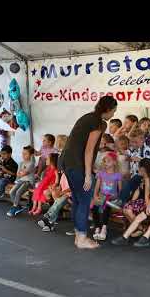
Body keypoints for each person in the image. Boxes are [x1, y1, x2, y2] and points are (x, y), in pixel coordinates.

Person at [61, 95, 118, 249]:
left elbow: (81, 144)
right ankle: (81, 238)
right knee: (85, 200)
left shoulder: (88, 117)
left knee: (78, 199)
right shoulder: (98, 123)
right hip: (76, 164)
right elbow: (88, 150)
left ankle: (78, 234)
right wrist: (87, 174)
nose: (113, 115)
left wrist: (89, 166)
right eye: (113, 111)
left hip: (67, 162)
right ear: (107, 109)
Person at [112, 128, 150, 208]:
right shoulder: (133, 150)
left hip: (144, 177)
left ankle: (120, 201)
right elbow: (124, 152)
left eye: (136, 142)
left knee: (131, 182)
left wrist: (138, 159)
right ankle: (123, 205)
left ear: (142, 140)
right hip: (133, 175)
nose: (133, 144)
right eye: (132, 142)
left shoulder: (147, 150)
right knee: (125, 181)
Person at [91, 152, 123, 241]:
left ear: (114, 162)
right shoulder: (101, 173)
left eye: (108, 161)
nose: (106, 163)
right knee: (94, 206)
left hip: (112, 197)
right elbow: (97, 187)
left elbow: (120, 190)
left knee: (107, 205)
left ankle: (104, 228)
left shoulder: (117, 175)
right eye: (105, 161)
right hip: (101, 196)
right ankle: (97, 227)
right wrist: (95, 196)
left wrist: (116, 197)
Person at [122, 158, 150, 237]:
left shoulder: (147, 179)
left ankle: (141, 229)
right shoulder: (143, 178)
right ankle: (139, 228)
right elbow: (138, 190)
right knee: (125, 209)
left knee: (129, 210)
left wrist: (147, 208)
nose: (138, 168)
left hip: (147, 202)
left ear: (144, 169)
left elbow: (147, 196)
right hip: (141, 200)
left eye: (139, 167)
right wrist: (132, 201)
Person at [7, 146, 36, 217]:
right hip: (21, 181)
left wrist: (22, 173)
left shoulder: (31, 163)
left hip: (28, 182)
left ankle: (14, 207)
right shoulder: (21, 163)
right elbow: (18, 174)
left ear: (31, 155)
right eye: (23, 153)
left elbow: (23, 174)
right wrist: (21, 174)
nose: (23, 155)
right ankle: (17, 206)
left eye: (25, 154)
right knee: (11, 192)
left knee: (18, 192)